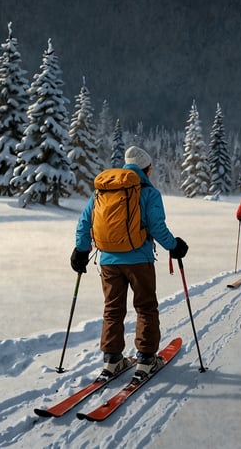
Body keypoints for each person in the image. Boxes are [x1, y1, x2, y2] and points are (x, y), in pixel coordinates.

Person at [70, 146, 188, 379]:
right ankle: (146, 359)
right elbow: (156, 227)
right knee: (145, 307)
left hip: (108, 261)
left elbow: (84, 223)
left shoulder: (103, 191)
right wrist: (174, 246)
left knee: (112, 310)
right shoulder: (149, 192)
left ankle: (112, 360)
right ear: (148, 169)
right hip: (139, 260)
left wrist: (81, 251)